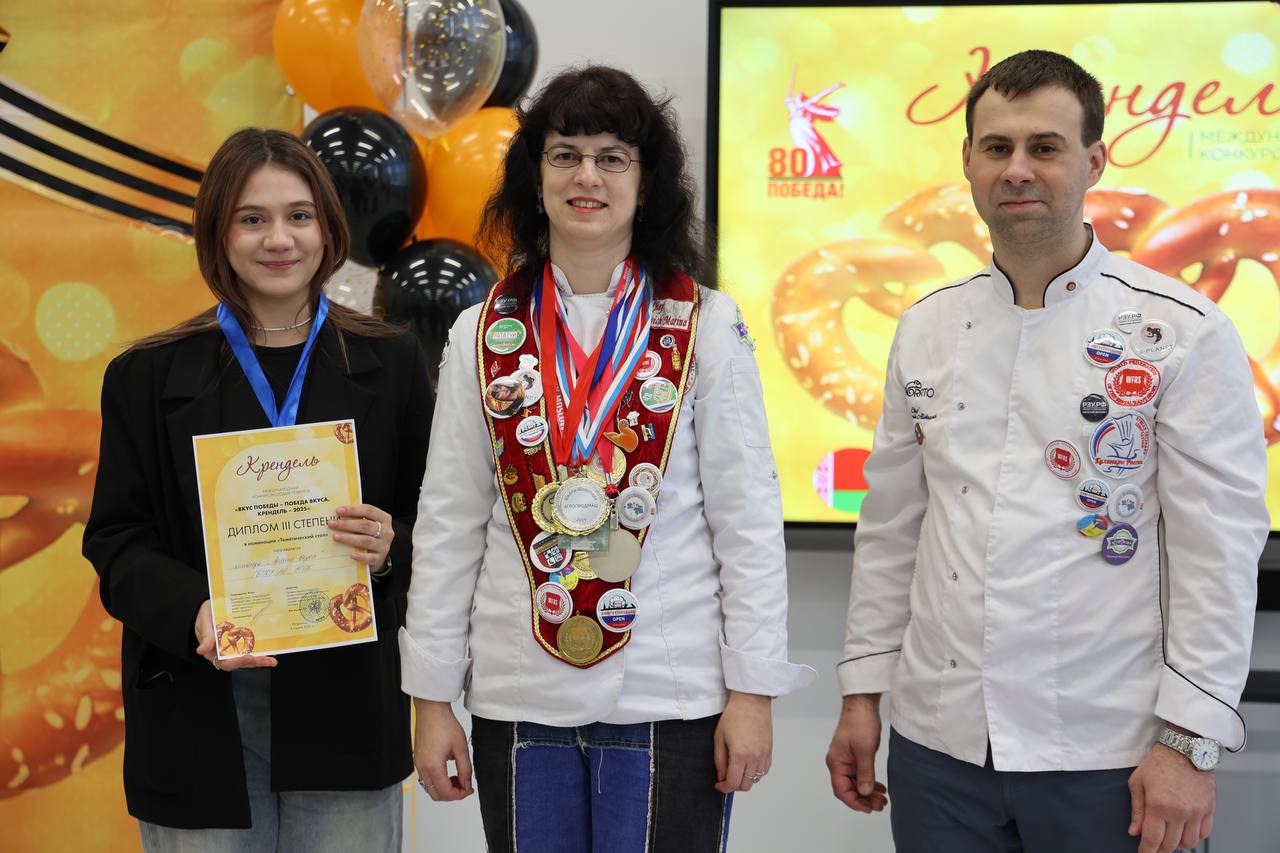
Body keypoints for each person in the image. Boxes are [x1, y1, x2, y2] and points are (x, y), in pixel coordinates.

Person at [825, 50, 1268, 853]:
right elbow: (892, 528)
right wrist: (862, 694)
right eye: (997, 147)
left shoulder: (1180, 330)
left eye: (1045, 147)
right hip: (938, 744)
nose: (1018, 170)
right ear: (968, 160)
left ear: (1094, 161)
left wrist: (1189, 741)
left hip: (1109, 750)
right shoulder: (926, 327)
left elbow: (1218, 552)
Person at [399, 65, 814, 852]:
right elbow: (448, 523)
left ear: (645, 182)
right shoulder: (480, 331)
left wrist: (754, 689)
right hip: (517, 687)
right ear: (535, 178)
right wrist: (430, 697)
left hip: (671, 687)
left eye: (612, 157)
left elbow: (748, 522)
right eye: (565, 155)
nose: (586, 176)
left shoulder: (705, 323)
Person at [83, 128, 433, 851]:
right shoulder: (145, 376)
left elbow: (438, 525)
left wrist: (391, 545)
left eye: (299, 215)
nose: (279, 239)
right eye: (253, 218)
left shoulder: (393, 362)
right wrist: (196, 612)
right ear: (218, 231)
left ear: (327, 229)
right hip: (199, 702)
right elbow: (117, 543)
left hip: (345, 708)